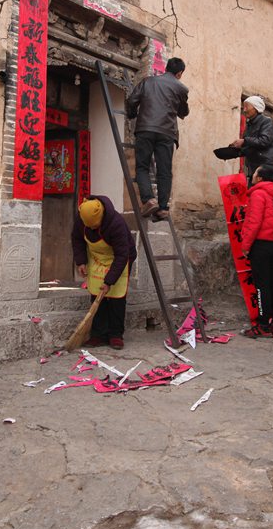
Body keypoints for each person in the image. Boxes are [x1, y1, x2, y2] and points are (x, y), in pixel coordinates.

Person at [126, 57, 189, 222]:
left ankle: (148, 200)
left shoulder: (148, 81)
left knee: (142, 167)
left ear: (166, 68)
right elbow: (184, 112)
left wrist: (132, 114)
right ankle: (162, 208)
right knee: (164, 171)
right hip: (167, 132)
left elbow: (132, 100)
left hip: (145, 128)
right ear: (180, 73)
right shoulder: (181, 88)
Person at [71, 196, 138, 350]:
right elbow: (77, 239)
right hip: (97, 258)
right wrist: (81, 261)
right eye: (89, 226)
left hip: (120, 258)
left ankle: (115, 334)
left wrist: (109, 281)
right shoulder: (82, 217)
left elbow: (122, 255)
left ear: (101, 217)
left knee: (116, 297)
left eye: (95, 226)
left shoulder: (116, 224)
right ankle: (98, 335)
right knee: (96, 295)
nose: (92, 228)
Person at [240, 166, 273, 338]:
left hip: (260, 244)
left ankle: (263, 324)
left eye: (255, 173)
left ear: (259, 178)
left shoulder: (258, 194)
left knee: (262, 286)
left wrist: (246, 245)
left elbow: (254, 222)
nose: (252, 175)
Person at [230, 95, 273, 202]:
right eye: (244, 107)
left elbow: (264, 141)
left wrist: (244, 141)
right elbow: (250, 147)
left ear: (256, 108)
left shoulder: (267, 122)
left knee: (266, 200)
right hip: (254, 169)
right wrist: (235, 151)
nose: (244, 110)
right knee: (254, 201)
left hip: (268, 169)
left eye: (247, 106)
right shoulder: (249, 126)